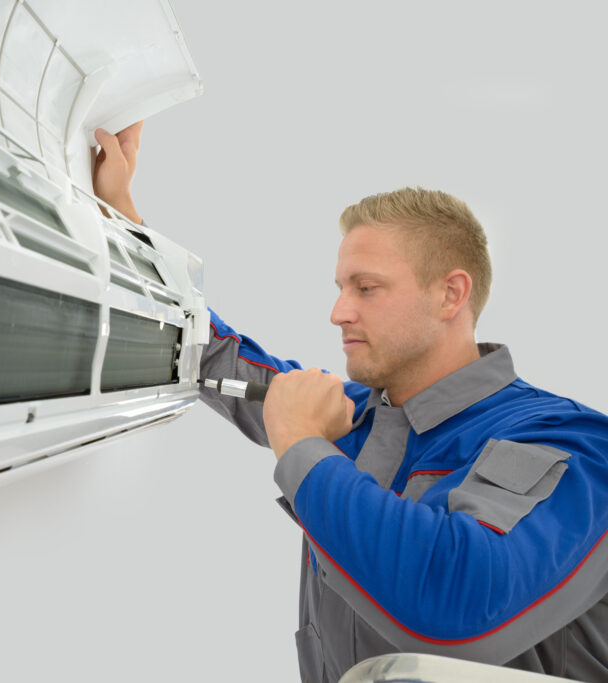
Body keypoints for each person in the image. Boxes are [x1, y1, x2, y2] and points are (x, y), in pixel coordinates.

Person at [93, 124, 608, 682]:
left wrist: (304, 446)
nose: (338, 312)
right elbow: (211, 355)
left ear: (450, 294)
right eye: (339, 287)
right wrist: (121, 219)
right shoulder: (359, 415)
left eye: (366, 288)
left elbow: (457, 605)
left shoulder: (570, 443)